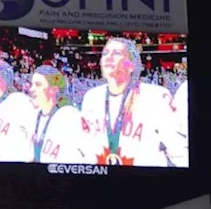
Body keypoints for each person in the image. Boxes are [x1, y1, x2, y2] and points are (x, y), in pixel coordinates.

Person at [78, 36, 182, 167]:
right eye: (105, 53)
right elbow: (85, 147)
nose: (108, 57)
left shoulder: (156, 96)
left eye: (117, 53)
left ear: (131, 65)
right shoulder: (91, 97)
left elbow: (180, 152)